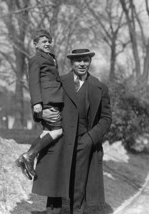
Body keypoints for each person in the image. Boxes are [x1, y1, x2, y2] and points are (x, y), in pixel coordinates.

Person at [32, 48, 112, 214]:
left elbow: (106, 118)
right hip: (60, 141)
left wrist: (90, 139)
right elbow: (44, 104)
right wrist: (41, 113)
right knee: (56, 185)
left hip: (85, 142)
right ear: (71, 62)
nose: (82, 64)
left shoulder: (99, 87)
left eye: (86, 60)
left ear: (90, 62)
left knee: (79, 185)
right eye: (78, 60)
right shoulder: (59, 82)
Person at [16, 29, 63, 179]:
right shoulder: (36, 59)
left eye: (49, 41)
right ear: (36, 45)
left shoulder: (51, 58)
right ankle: (30, 156)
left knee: (46, 132)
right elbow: (33, 82)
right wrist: (36, 103)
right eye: (44, 42)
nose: (47, 44)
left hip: (54, 99)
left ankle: (23, 159)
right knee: (58, 131)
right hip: (48, 100)